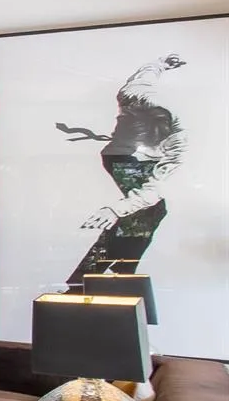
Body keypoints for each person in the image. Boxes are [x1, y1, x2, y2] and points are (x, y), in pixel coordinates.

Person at [56, 55, 185, 285]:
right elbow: (146, 73)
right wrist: (161, 63)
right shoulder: (133, 92)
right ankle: (97, 273)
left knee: (152, 210)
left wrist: (116, 210)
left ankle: (115, 270)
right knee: (147, 211)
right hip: (119, 158)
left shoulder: (179, 138)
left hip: (143, 162)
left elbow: (155, 188)